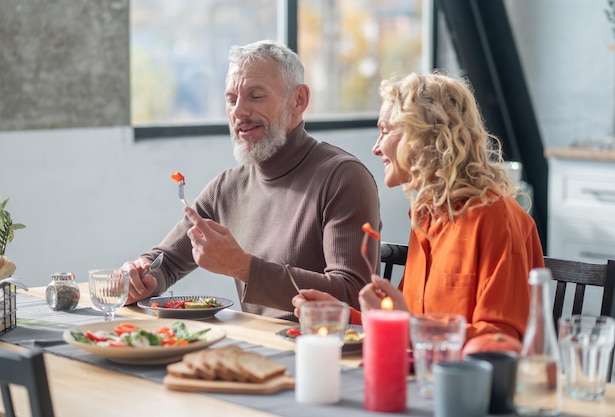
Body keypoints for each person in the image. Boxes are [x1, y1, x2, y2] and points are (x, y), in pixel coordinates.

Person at [122, 40, 381, 320]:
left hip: (320, 351)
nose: (238, 112)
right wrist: (141, 274)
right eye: (231, 99)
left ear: (299, 100)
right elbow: (168, 261)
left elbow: (354, 295)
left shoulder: (343, 177)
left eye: (255, 96)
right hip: (257, 347)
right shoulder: (227, 187)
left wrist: (245, 267)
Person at [293, 72, 544, 341]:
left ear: (423, 137)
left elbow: (501, 340)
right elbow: (407, 321)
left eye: (385, 131)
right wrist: (340, 315)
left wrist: (408, 325)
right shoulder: (425, 218)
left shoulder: (496, 218)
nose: (376, 148)